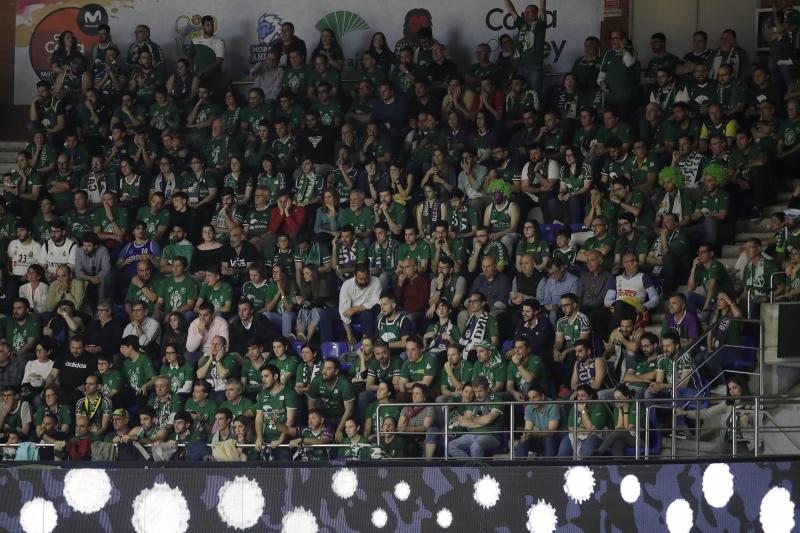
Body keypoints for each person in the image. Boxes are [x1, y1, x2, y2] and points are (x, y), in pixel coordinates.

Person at [446, 375, 504, 458]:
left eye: (480, 391)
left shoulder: (496, 399)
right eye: (475, 391)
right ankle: (471, 464)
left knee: (476, 446)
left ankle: (475, 466)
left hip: (490, 435)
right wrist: (481, 422)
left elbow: (488, 420)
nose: (477, 395)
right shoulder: (474, 401)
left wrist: (472, 420)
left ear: (487, 389)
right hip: (472, 434)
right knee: (450, 446)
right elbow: (466, 422)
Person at [307, 357, 355, 442]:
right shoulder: (316, 381)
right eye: (324, 368)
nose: (324, 372)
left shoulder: (345, 384)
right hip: (325, 416)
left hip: (342, 417)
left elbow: (349, 411)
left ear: (336, 371)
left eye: (328, 369)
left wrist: (339, 430)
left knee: (340, 439)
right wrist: (314, 422)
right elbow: (311, 406)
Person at [596, 384, 646, 457]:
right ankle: (619, 463)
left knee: (620, 432)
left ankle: (599, 452)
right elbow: (617, 428)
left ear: (627, 397)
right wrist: (620, 410)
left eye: (619, 398)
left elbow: (627, 429)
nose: (616, 400)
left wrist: (625, 410)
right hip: (625, 438)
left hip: (639, 439)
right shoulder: (616, 409)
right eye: (615, 398)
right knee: (617, 444)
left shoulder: (636, 406)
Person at [515, 384, 560, 458]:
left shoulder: (553, 406)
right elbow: (528, 429)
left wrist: (531, 433)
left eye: (534, 397)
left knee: (548, 439)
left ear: (542, 397)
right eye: (529, 398)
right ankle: (518, 464)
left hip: (555, 440)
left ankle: (549, 463)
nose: (531, 401)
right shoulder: (529, 407)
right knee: (523, 441)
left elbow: (551, 432)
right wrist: (526, 435)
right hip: (539, 438)